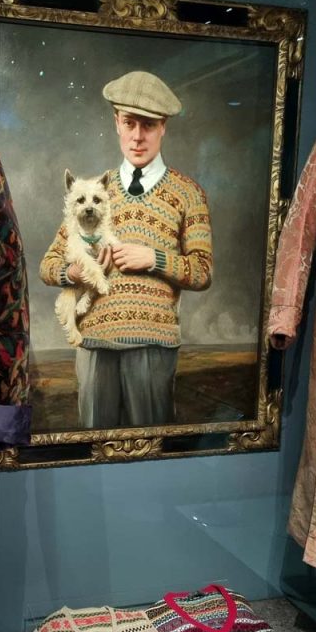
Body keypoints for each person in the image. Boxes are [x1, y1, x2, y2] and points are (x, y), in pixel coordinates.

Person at [40, 70, 213, 429]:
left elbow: (202, 272)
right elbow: (48, 265)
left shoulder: (188, 193)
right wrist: (73, 272)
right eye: (129, 123)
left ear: (163, 126)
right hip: (94, 345)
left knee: (151, 451)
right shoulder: (92, 191)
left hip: (153, 344)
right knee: (93, 451)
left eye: (148, 125)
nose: (137, 136)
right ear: (116, 122)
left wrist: (154, 259)